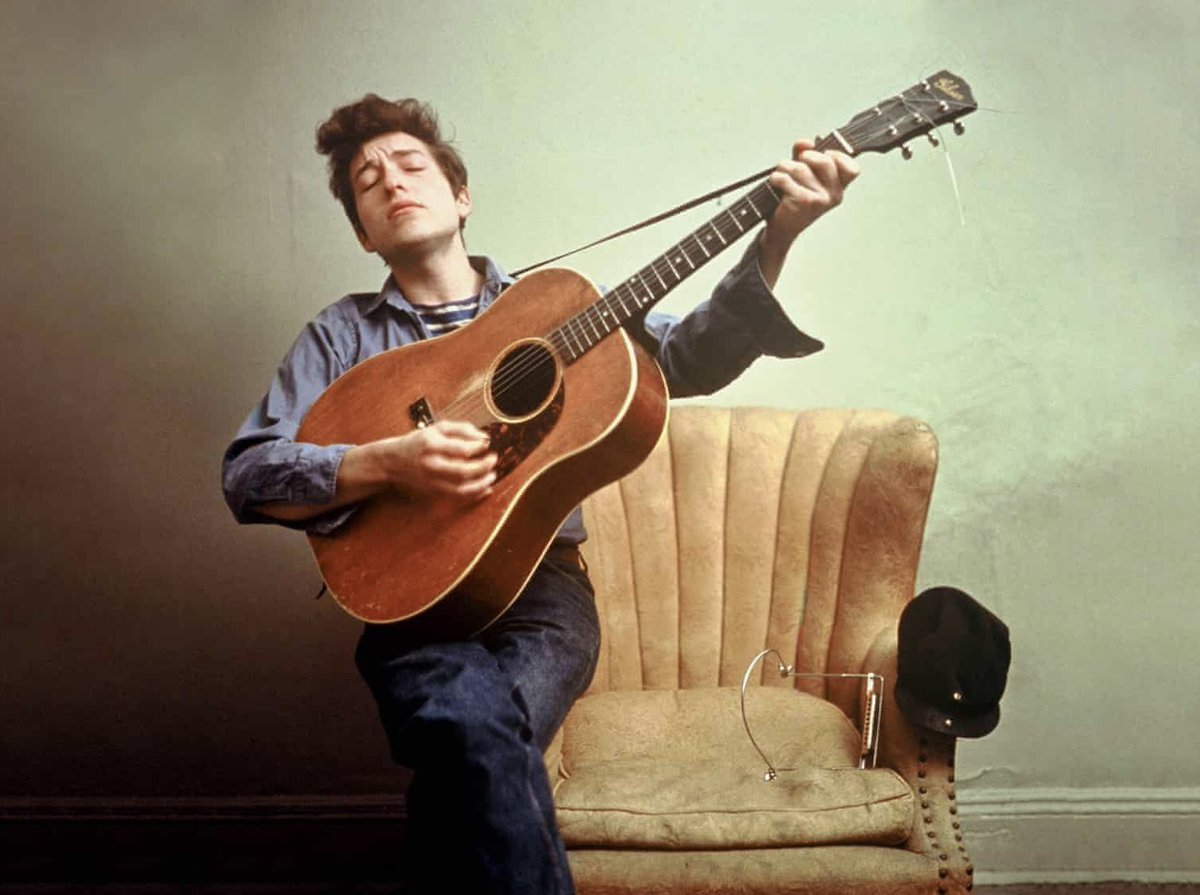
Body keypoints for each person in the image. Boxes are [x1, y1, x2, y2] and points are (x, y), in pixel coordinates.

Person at [222, 94, 858, 894]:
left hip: (544, 593)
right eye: (367, 180)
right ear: (362, 230)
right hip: (406, 606)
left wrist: (777, 236)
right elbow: (248, 472)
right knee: (476, 735)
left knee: (472, 740)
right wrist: (389, 462)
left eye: (410, 164)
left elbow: (688, 358)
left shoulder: (553, 309)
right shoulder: (340, 335)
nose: (390, 182)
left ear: (461, 196)